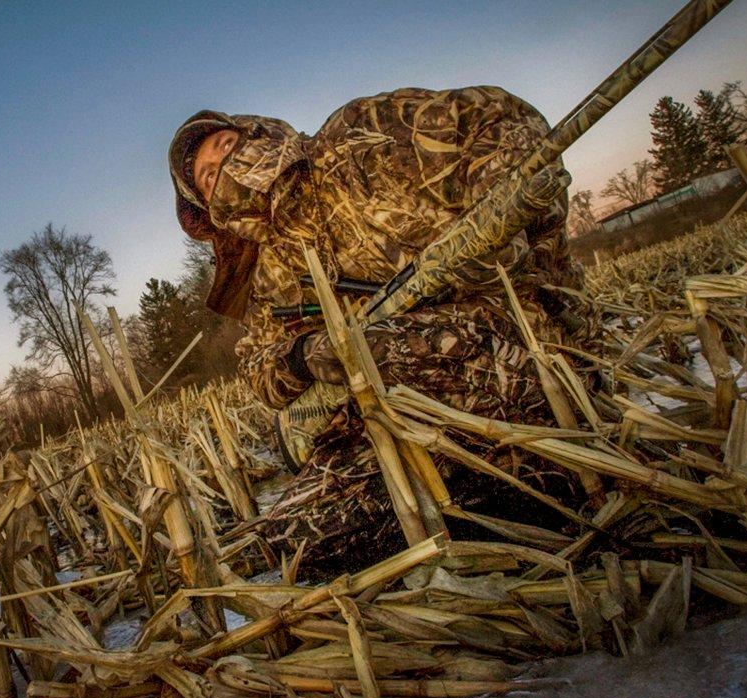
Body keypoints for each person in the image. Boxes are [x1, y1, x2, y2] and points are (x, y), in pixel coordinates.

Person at [169, 86, 583, 567]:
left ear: (252, 129)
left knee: (370, 354)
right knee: (300, 543)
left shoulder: (353, 138)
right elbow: (259, 366)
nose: (226, 168)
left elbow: (499, 121)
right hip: (407, 410)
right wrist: (306, 355)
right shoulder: (269, 268)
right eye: (208, 176)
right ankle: (473, 524)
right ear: (208, 209)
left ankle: (534, 486)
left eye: (224, 145)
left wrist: (507, 235)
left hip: (523, 347)